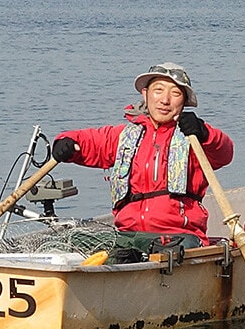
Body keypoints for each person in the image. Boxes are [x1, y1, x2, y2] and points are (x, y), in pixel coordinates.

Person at [51, 62, 234, 253]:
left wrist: (204, 133)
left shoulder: (194, 138)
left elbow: (224, 152)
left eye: (175, 93)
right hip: (128, 234)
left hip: (178, 236)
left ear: (184, 101)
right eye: (158, 90)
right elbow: (89, 141)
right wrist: (65, 142)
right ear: (145, 94)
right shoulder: (125, 136)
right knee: (72, 241)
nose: (165, 100)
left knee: (170, 253)